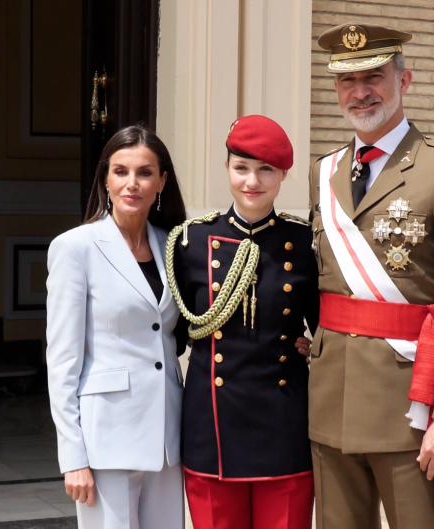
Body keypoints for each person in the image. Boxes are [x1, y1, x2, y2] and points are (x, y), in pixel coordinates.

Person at [307, 23, 434, 528]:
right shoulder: (323, 172)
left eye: (374, 76)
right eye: (347, 81)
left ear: (404, 80)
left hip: (411, 411)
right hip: (331, 402)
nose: (360, 91)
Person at [165, 115, 318, 529]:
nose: (253, 181)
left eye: (266, 169)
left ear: (284, 174)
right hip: (211, 430)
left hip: (284, 423)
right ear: (227, 169)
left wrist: (313, 350)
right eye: (241, 168)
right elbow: (174, 335)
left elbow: (326, 331)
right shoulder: (190, 242)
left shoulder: (305, 244)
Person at [45, 125, 188, 529]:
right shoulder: (75, 248)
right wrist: (73, 458)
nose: (132, 183)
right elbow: (63, 361)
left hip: (166, 438)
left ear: (161, 182)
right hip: (105, 438)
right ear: (105, 178)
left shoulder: (173, 243)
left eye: (145, 172)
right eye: (120, 171)